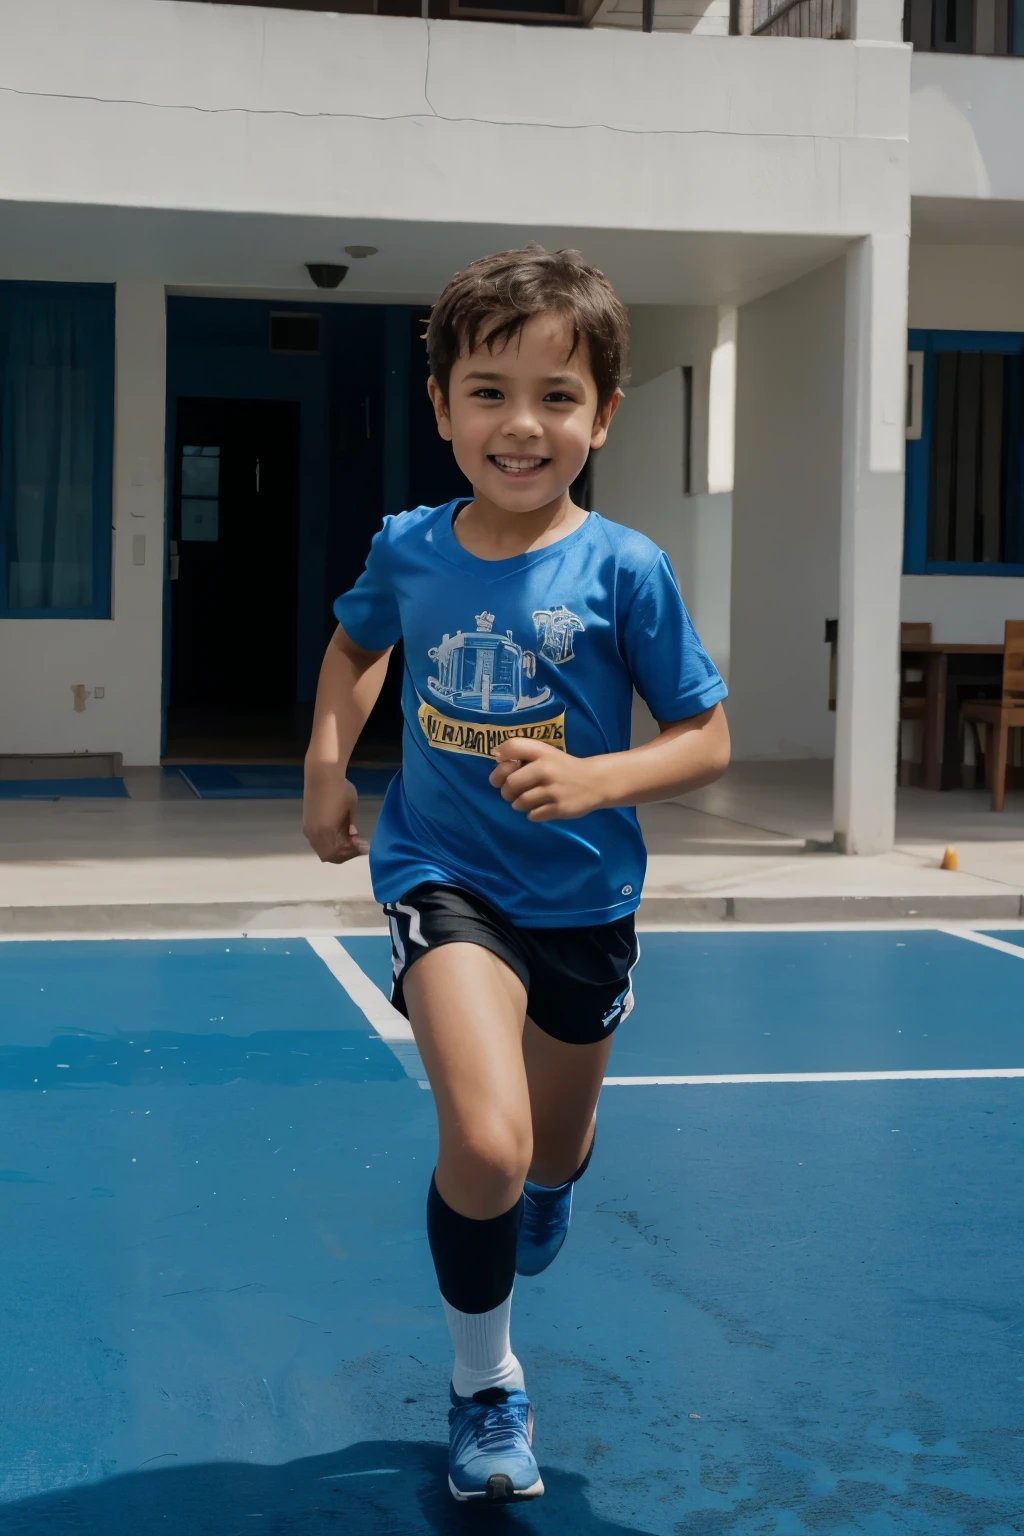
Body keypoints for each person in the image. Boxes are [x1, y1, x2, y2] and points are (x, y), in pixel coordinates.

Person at [303, 246, 730, 1504]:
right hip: (443, 874)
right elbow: (354, 646)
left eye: (556, 394)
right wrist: (330, 758)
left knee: (546, 1154)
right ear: (441, 409)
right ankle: (487, 1385)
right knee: (483, 1148)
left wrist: (600, 780)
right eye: (487, 390)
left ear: (601, 415)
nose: (520, 423)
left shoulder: (626, 570)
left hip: (585, 902)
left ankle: (551, 1183)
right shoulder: (412, 548)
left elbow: (706, 736)